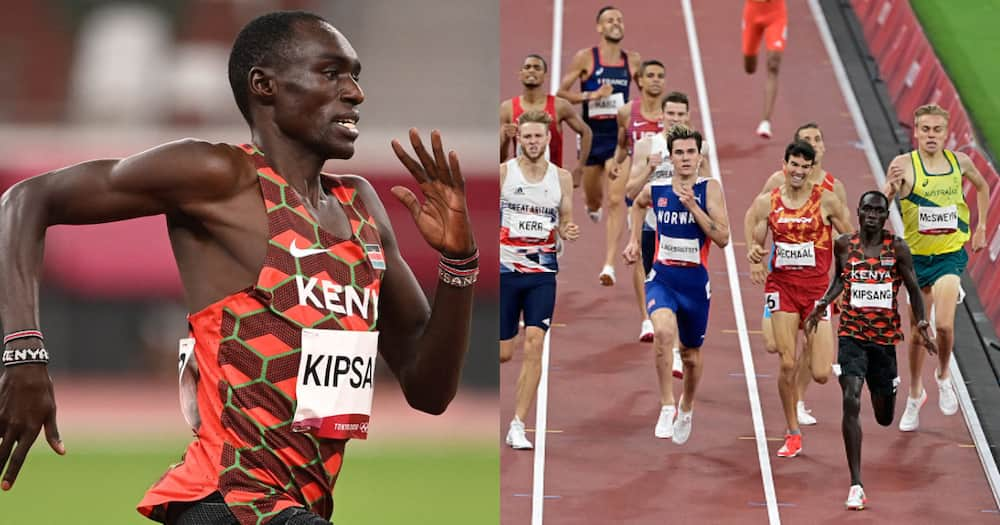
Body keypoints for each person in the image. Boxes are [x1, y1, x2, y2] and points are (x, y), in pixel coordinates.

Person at [0, 11, 479, 525]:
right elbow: (26, 200)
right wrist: (23, 353)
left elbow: (429, 390)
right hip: (229, 498)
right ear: (264, 85)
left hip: (299, 508)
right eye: (331, 73)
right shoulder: (221, 176)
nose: (355, 93)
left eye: (356, 75)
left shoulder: (362, 208)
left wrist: (459, 262)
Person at [804, 190, 936, 510]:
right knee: (850, 398)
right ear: (859, 212)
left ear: (885, 215)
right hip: (851, 335)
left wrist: (921, 323)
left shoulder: (898, 248)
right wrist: (822, 303)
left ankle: (890, 389)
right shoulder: (844, 245)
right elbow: (840, 279)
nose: (873, 216)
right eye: (868, 210)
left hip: (884, 341)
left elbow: (914, 289)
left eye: (879, 211)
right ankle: (856, 483)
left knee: (884, 416)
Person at [882, 103, 990, 432]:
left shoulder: (960, 162)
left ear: (946, 133)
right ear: (915, 131)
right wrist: (889, 190)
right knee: (916, 333)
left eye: (937, 130)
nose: (931, 135)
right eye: (925, 129)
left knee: (943, 325)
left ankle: (943, 375)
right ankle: (915, 394)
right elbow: (880, 205)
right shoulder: (903, 165)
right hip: (915, 259)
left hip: (949, 255)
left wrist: (982, 226)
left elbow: (983, 187)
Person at [623, 125, 731, 444]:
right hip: (662, 279)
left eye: (691, 153)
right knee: (663, 333)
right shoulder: (658, 189)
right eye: (679, 153)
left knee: (691, 355)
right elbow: (637, 201)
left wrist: (693, 208)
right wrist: (632, 241)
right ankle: (667, 405)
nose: (685, 158)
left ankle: (687, 405)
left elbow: (723, 238)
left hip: (695, 286)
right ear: (672, 156)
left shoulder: (709, 189)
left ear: (700, 156)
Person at [745, 141, 851, 458]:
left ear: (811, 168)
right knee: (786, 361)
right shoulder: (769, 203)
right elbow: (756, 235)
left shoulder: (827, 202)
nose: (799, 171)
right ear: (785, 164)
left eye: (805, 166)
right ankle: (793, 431)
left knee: (820, 372)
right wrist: (753, 256)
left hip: (818, 292)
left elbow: (850, 239)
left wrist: (844, 282)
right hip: (782, 288)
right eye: (794, 164)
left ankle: (809, 345)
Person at [500, 111, 579, 450]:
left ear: (549, 139)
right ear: (519, 137)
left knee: (535, 343)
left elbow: (566, 220)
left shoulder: (561, 178)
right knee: (504, 353)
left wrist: (567, 229)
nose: (533, 142)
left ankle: (518, 424)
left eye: (538, 136)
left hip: (542, 275)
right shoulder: (504, 173)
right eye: (527, 136)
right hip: (505, 271)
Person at [626, 92, 706, 375]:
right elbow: (630, 192)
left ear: (687, 116)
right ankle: (651, 324)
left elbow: (705, 185)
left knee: (681, 287)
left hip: (684, 228)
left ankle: (674, 344)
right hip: (652, 224)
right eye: (670, 113)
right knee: (653, 278)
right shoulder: (647, 145)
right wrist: (650, 167)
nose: (675, 118)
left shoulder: (697, 148)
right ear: (661, 115)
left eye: (680, 114)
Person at [557, 5, 641, 225]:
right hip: (591, 137)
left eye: (619, 20)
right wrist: (592, 95)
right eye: (610, 20)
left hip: (619, 138)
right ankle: (591, 204)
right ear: (599, 27)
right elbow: (561, 93)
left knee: (615, 198)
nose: (616, 23)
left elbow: (646, 93)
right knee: (595, 198)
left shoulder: (632, 60)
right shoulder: (586, 58)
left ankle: (611, 256)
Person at [598, 59, 666, 290]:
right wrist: (616, 162)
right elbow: (623, 144)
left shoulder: (671, 115)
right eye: (651, 75)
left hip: (662, 184)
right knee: (618, 206)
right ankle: (610, 264)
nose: (656, 80)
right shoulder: (627, 112)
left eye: (660, 76)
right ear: (640, 80)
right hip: (638, 180)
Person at [499, 54, 592, 180]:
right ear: (520, 74)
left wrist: (580, 168)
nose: (531, 70)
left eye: (537, 68)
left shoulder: (560, 106)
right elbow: (500, 157)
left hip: (553, 181)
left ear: (545, 76)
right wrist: (505, 138)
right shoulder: (507, 108)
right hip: (521, 182)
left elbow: (586, 132)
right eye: (527, 67)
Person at [741, 0, 787, 139]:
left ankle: (765, 122)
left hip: (775, 13)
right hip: (753, 12)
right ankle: (752, 53)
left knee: (773, 65)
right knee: (749, 67)